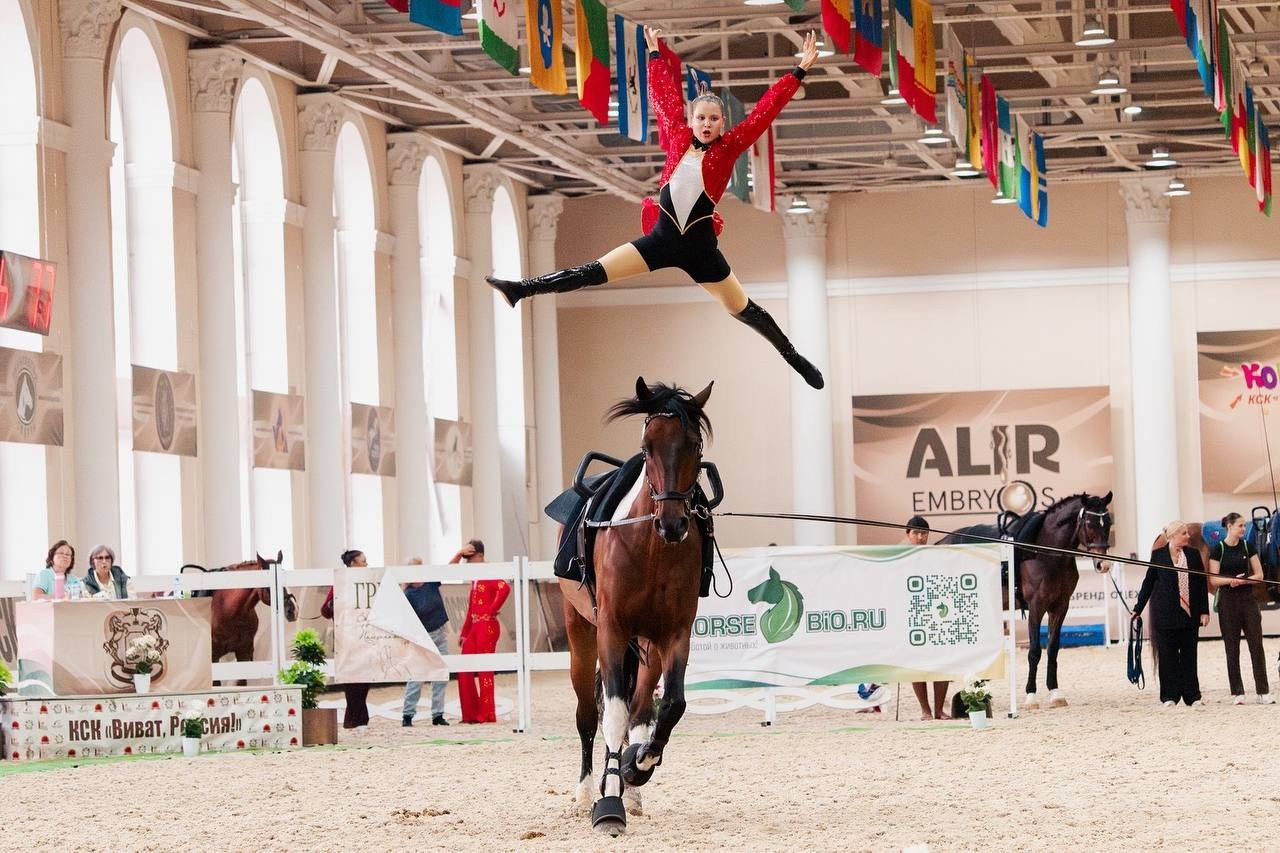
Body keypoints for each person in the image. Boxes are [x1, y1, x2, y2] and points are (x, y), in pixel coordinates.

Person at [484, 27, 826, 390]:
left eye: (714, 119)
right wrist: (655, 56)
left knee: (745, 311)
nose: (707, 124)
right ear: (691, 120)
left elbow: (764, 111)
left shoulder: (730, 149)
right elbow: (664, 97)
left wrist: (798, 72)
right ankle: (521, 289)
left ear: (723, 123)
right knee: (593, 270)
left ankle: (794, 358)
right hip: (660, 241)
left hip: (701, 252)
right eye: (701, 118)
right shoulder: (678, 136)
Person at [1133, 520, 1210, 707]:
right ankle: (1169, 696)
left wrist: (1204, 611)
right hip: (1165, 614)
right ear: (1173, 536)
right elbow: (1148, 582)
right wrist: (1138, 608)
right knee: (1167, 657)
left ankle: (1192, 696)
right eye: (1184, 533)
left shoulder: (1192, 555)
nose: (1188, 536)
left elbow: (1201, 584)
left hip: (1189, 615)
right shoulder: (1158, 555)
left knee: (1189, 656)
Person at [1209, 512, 1273, 705]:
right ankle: (1238, 692)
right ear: (1229, 526)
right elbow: (1213, 579)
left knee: (1256, 645)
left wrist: (1244, 580)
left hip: (1248, 601)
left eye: (1244, 526)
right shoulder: (1217, 549)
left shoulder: (1248, 545)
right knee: (1232, 648)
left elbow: (1259, 574)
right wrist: (1231, 581)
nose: (1244, 529)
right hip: (1228, 603)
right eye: (1240, 526)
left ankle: (1263, 691)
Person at [456, 540, 510, 724]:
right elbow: (471, 608)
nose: (468, 563)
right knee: (464, 668)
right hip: (475, 627)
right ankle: (470, 714)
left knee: (485, 670)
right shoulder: (476, 576)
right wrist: (464, 632)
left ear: (480, 556)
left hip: (487, 627)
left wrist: (491, 610)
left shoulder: (489, 571)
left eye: (470, 559)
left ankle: (486, 714)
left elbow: (505, 588)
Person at [904, 516, 950, 720]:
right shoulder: (899, 558)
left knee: (943, 663)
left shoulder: (937, 556)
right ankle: (925, 710)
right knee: (917, 665)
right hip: (910, 616)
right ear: (908, 535)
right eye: (916, 533)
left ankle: (939, 709)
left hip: (936, 614)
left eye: (924, 534)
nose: (920, 537)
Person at [324, 549, 373, 730]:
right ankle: (357, 719)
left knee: (366, 677)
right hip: (347, 636)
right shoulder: (340, 582)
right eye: (363, 561)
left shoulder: (369, 582)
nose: (366, 564)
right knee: (353, 678)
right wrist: (334, 604)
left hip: (365, 634)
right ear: (352, 563)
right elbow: (325, 610)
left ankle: (356, 718)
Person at [402, 555, 452, 727]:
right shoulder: (409, 594)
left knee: (441, 675)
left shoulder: (431, 583)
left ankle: (438, 714)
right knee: (416, 676)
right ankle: (407, 714)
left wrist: (459, 554)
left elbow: (448, 569)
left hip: (440, 633)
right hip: (422, 637)